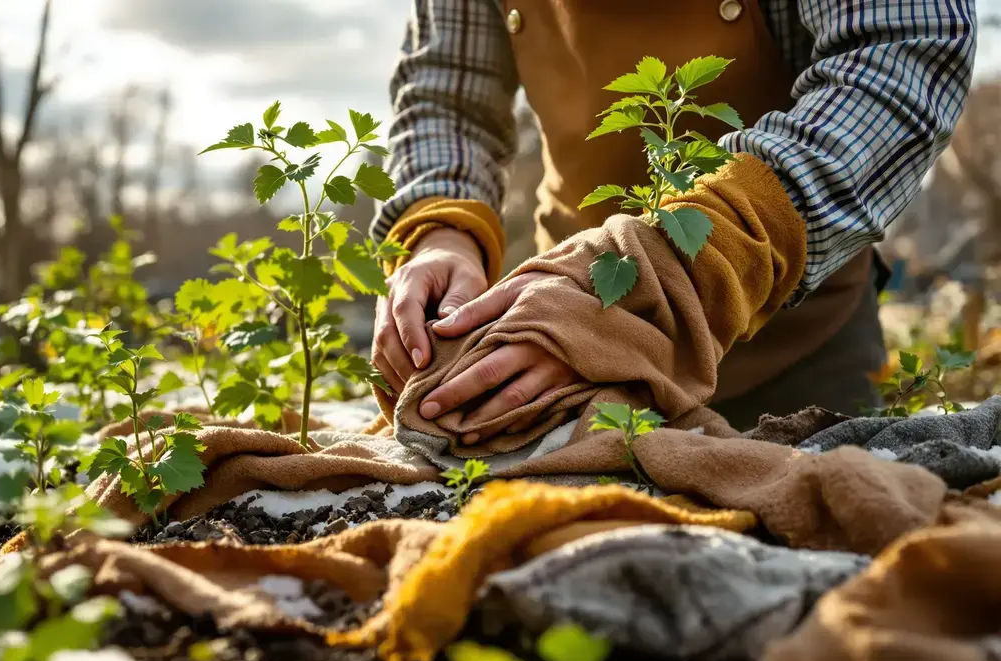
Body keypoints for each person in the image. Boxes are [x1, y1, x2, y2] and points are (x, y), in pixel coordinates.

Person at [369, 0, 975, 438]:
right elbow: (447, 88)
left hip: (793, 343)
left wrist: (667, 273)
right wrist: (441, 233)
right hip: (563, 349)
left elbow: (905, 50)